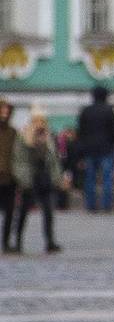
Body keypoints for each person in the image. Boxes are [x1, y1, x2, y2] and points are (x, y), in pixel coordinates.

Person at [11, 108, 67, 254]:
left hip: (45, 178)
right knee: (23, 212)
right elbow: (20, 160)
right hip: (30, 178)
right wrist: (23, 179)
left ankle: (50, 241)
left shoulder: (48, 138)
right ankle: (17, 241)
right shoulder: (24, 137)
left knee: (48, 212)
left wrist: (57, 177)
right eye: (37, 121)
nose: (40, 124)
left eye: (42, 121)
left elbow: (54, 160)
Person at [76, 85, 114, 212]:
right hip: (106, 149)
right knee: (107, 179)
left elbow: (81, 132)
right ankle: (107, 205)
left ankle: (91, 205)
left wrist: (82, 150)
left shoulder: (86, 111)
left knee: (90, 178)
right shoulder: (109, 111)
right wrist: (112, 144)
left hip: (89, 150)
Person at [0, 100, 17, 253]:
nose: (4, 114)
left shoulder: (12, 132)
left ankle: (6, 241)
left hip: (9, 178)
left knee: (10, 212)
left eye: (7, 111)